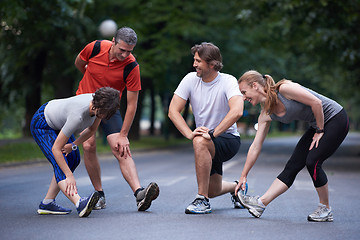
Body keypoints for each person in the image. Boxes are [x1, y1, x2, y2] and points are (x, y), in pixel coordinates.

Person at [236, 70, 349, 222]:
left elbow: (317, 103)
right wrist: (243, 175)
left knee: (313, 161)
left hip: (335, 118)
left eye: (244, 92)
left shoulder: (284, 89)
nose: (243, 98)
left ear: (255, 85)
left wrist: (320, 130)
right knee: (293, 165)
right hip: (317, 125)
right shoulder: (265, 114)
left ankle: (325, 208)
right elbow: (255, 146)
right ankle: (260, 204)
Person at [74, 26, 159, 211]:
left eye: (129, 51)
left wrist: (124, 134)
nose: (125, 54)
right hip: (86, 103)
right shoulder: (95, 47)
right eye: (122, 50)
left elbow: (132, 104)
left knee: (120, 147)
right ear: (113, 41)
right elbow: (79, 63)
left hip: (110, 108)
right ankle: (99, 195)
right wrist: (90, 77)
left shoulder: (131, 66)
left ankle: (139, 193)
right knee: (88, 146)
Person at [168, 42, 244, 214]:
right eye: (194, 60)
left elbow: (237, 110)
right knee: (214, 190)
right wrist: (188, 133)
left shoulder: (228, 81)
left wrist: (212, 133)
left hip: (227, 139)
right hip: (207, 140)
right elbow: (173, 111)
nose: (194, 64)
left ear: (212, 64)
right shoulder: (190, 79)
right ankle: (236, 187)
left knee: (200, 140)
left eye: (198, 61)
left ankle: (202, 199)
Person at [30, 87, 120, 217]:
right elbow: (56, 149)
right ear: (98, 106)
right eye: (105, 113)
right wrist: (69, 175)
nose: (105, 117)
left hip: (60, 124)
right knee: (61, 162)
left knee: (74, 159)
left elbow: (91, 130)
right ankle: (79, 203)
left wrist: (73, 145)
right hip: (43, 124)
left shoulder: (101, 105)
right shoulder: (77, 116)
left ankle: (47, 203)